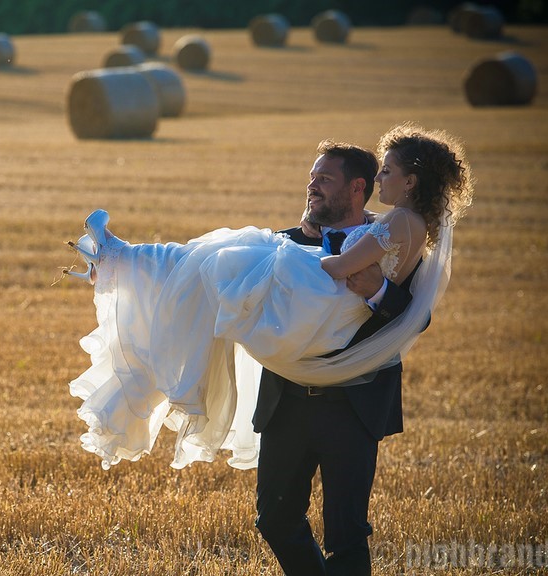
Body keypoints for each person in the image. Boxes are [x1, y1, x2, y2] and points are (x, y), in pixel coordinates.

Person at [64, 124, 473, 572]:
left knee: (347, 533)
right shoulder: (288, 243)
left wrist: (376, 290)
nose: (312, 187)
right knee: (274, 519)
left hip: (353, 406)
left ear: (357, 189)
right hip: (288, 402)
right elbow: (202, 275)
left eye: (325, 180)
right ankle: (119, 260)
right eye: (312, 178)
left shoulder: (389, 233)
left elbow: (416, 317)